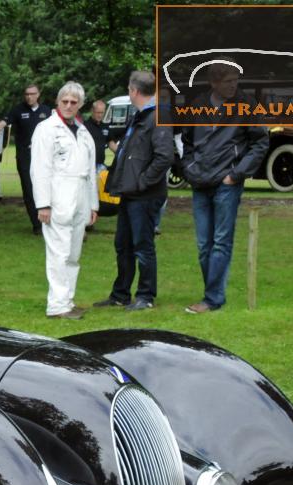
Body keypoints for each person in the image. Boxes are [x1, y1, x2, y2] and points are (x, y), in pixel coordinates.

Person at [179, 66, 268, 313]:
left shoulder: (247, 104)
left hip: (227, 183)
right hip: (200, 182)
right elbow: (186, 141)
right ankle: (212, 294)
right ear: (213, 82)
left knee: (220, 242)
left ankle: (212, 299)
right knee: (203, 245)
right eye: (228, 81)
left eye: (236, 80)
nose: (233, 85)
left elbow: (260, 143)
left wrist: (236, 175)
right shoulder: (197, 104)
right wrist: (190, 168)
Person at [94, 71, 173, 312]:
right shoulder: (141, 116)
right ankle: (120, 294)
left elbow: (164, 157)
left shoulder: (157, 117)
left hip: (144, 195)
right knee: (123, 244)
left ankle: (146, 295)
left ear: (134, 91)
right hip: (129, 193)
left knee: (143, 245)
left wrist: (142, 182)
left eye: (129, 89)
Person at [31, 82, 98, 320]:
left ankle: (67, 301)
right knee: (58, 251)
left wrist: (93, 204)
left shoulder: (82, 130)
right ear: (58, 102)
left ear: (80, 104)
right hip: (58, 193)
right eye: (65, 101)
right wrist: (43, 204)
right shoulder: (46, 128)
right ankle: (57, 305)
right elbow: (39, 168)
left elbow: (90, 170)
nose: (69, 106)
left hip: (80, 193)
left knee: (73, 252)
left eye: (74, 102)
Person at [0, 84, 52, 233]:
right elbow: (1, 125)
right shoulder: (18, 110)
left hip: (44, 157)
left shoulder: (47, 111)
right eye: (26, 94)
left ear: (38, 94)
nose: (29, 97)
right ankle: (37, 225)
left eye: (32, 94)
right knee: (29, 191)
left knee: (47, 189)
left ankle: (51, 222)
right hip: (25, 158)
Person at [83, 100, 109, 170]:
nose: (100, 115)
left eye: (102, 113)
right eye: (98, 112)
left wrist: (124, 154)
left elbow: (111, 143)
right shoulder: (84, 127)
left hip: (101, 166)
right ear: (92, 111)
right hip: (88, 166)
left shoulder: (105, 127)